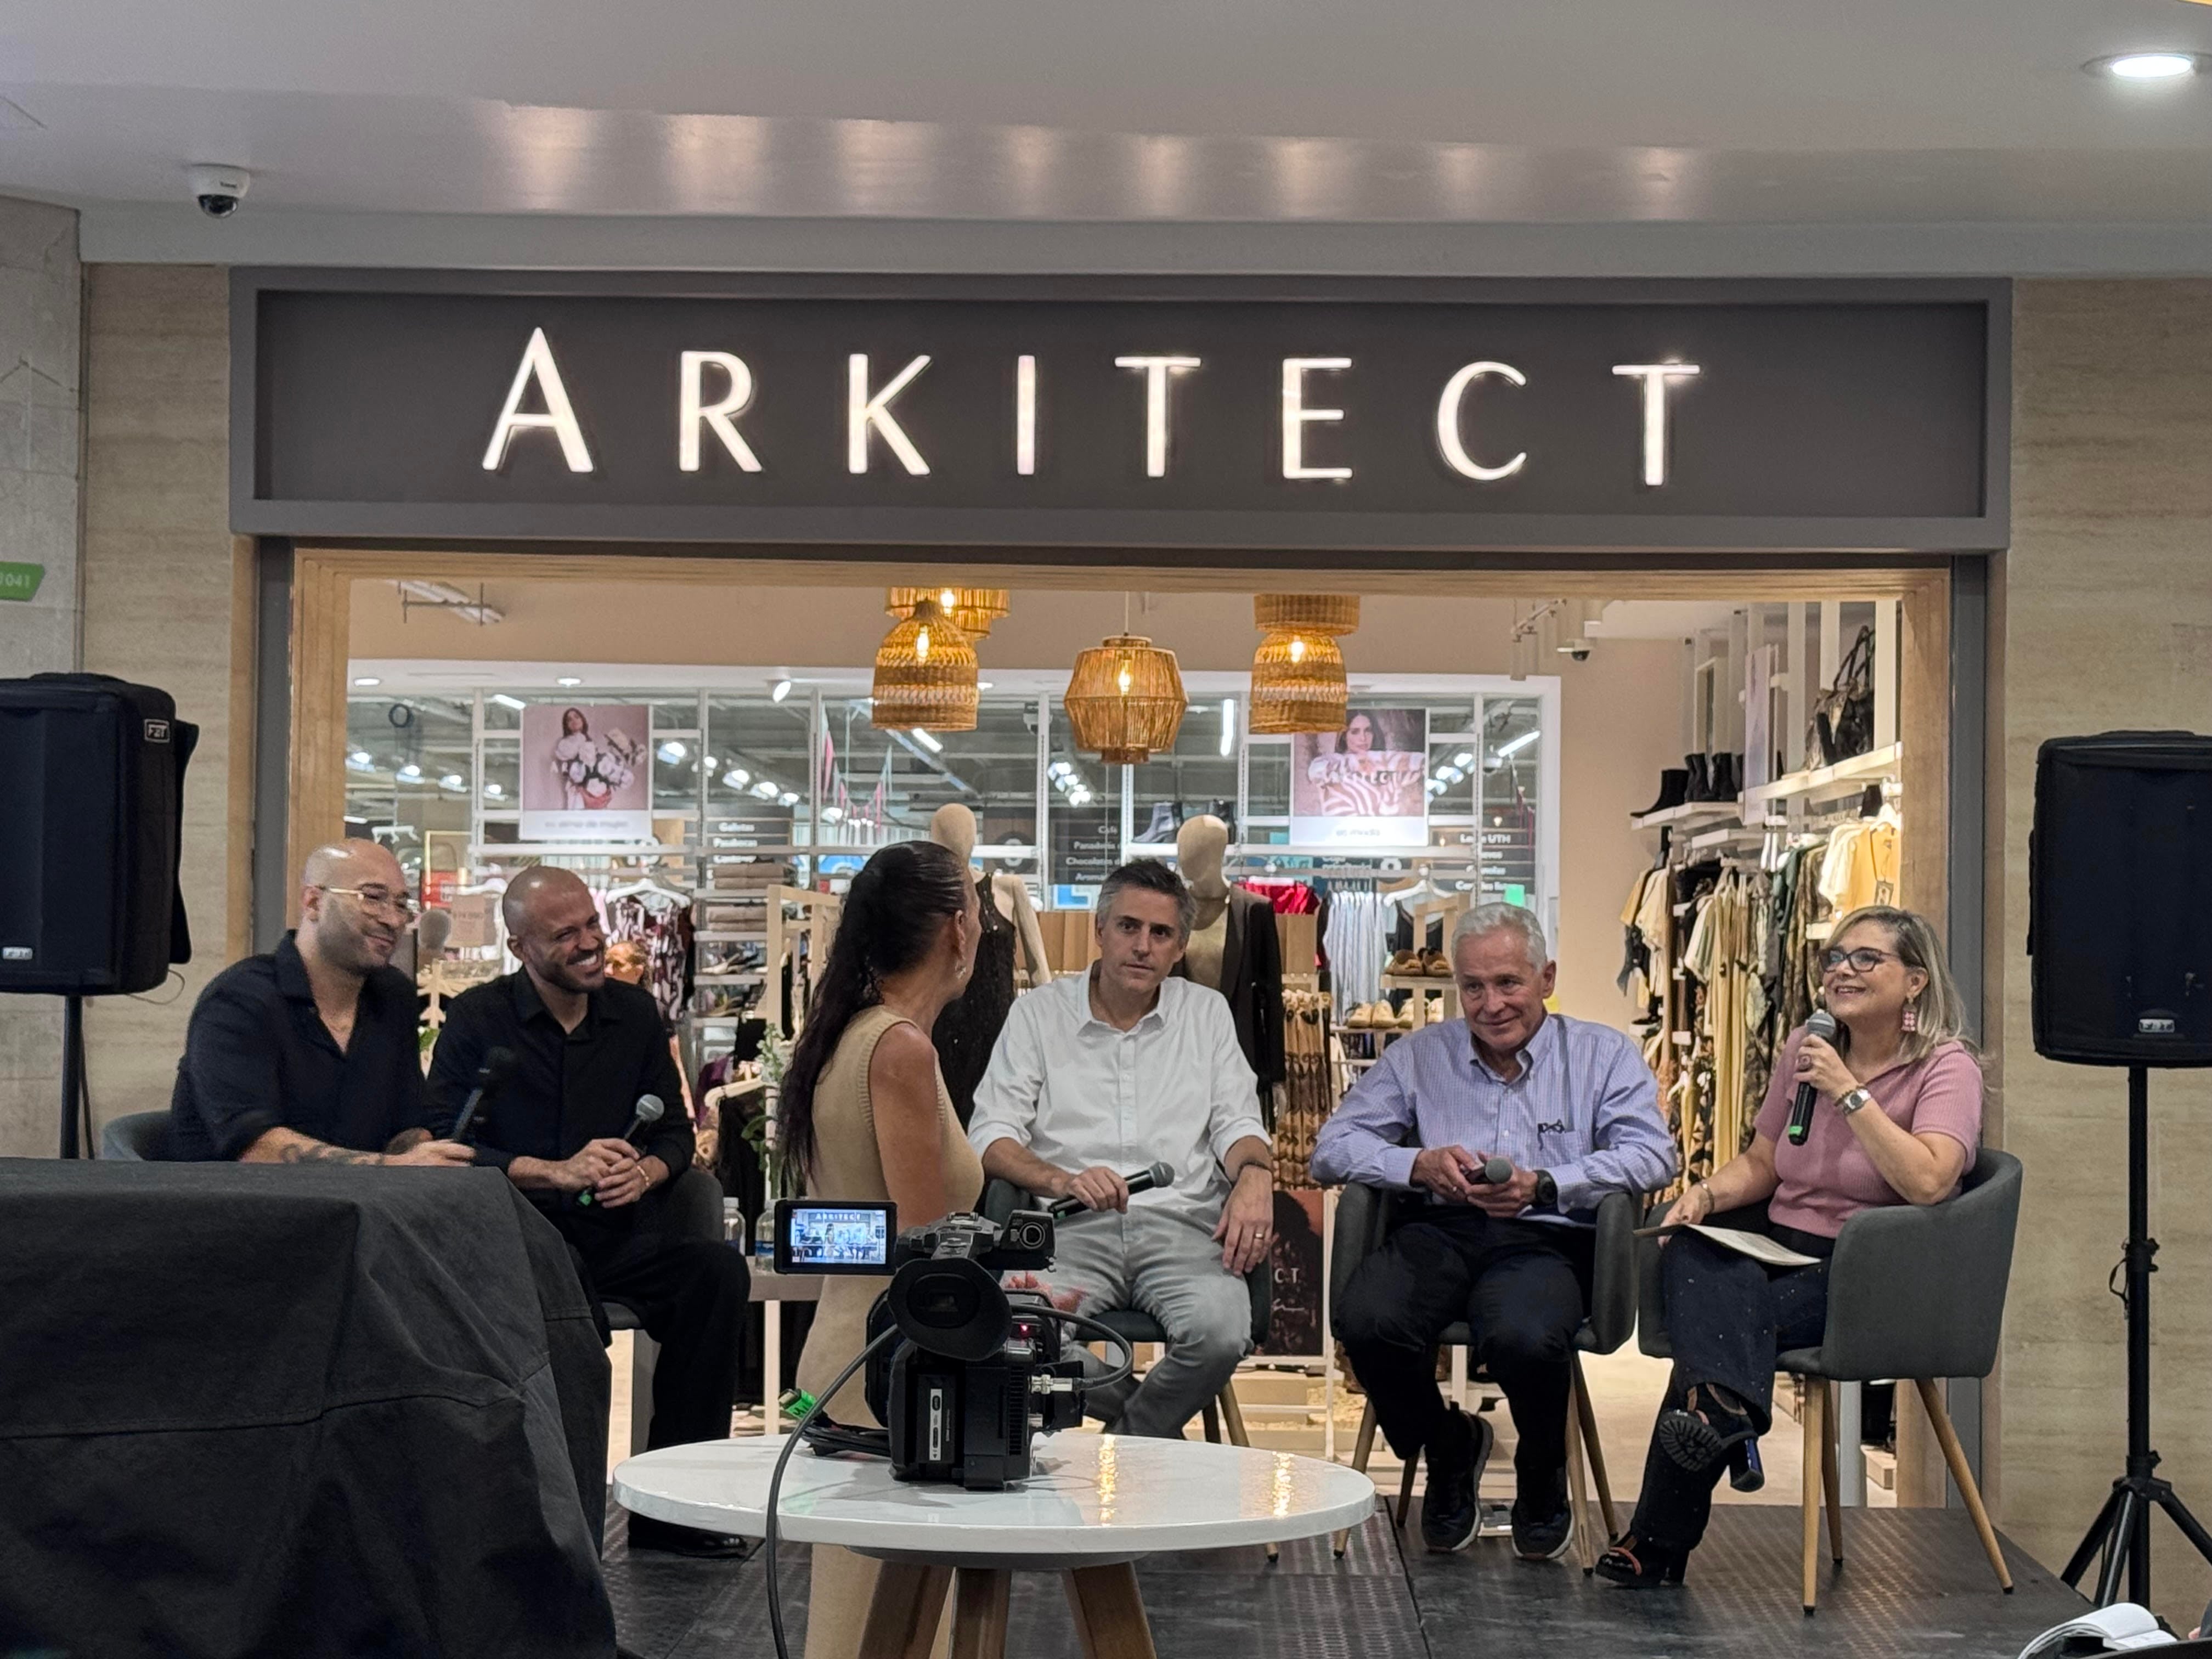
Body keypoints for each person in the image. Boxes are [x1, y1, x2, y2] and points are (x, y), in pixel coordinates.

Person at [1596, 905, 1983, 1588]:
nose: (1843, 970)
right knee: (1688, 1247)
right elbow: (1767, 1160)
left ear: (1915, 981)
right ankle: (1725, 1414)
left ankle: (1661, 1532)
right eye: (1836, 957)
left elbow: (1929, 1181)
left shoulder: (1944, 1067)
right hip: (1782, 1244)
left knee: (1713, 1335)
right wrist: (1706, 1197)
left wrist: (1849, 1091)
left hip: (1871, 1269)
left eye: (1867, 959)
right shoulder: (1805, 1045)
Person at [1312, 902, 1674, 1560]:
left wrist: (1548, 1183)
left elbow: (1654, 1156)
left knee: (1525, 1335)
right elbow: (1331, 1148)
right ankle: (1451, 1445)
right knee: (1365, 1319)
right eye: (1473, 987)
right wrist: (1415, 1163)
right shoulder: (1419, 1055)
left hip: (1547, 1236)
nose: (1490, 1004)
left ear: (1546, 977)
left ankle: (1542, 1467)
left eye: (1508, 983)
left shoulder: (1602, 1055)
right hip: (1439, 1230)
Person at [426, 865, 749, 1559]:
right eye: (564, 933)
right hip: (520, 1242)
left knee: (717, 1276)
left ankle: (677, 1512)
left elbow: (672, 1135)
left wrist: (646, 1172)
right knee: (563, 1289)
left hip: (619, 1234)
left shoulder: (633, 1014)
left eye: (592, 925)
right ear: (520, 948)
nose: (589, 943)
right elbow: (443, 1147)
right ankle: (558, 1524)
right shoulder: (479, 1020)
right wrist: (551, 1171)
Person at [969, 857, 1275, 1440]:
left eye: (1160, 934)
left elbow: (1238, 1121)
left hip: (1185, 1231)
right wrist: (1061, 1180)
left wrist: (1257, 1175)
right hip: (1069, 1233)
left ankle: (1131, 1444)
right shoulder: (1038, 1015)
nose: (1143, 946)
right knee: (1010, 1331)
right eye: (1129, 927)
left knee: (1220, 1334)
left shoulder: (1205, 1016)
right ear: (1100, 930)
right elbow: (989, 1135)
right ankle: (1154, 1438)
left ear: (1180, 946)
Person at [777, 840, 983, 1659]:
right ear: (957, 931)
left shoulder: (847, 1035)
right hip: (890, 1375)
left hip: (851, 1358)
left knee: (861, 1629)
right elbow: (924, 1256)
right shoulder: (899, 1049)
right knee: (892, 1634)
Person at [170, 839, 476, 1168]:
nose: (393, 920)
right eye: (372, 898)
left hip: (355, 1206)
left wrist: (429, 1152)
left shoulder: (393, 995)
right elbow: (255, 1148)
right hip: (237, 1206)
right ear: (314, 902)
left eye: (402, 905)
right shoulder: (239, 1001)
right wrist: (393, 1167)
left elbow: (406, 1124)